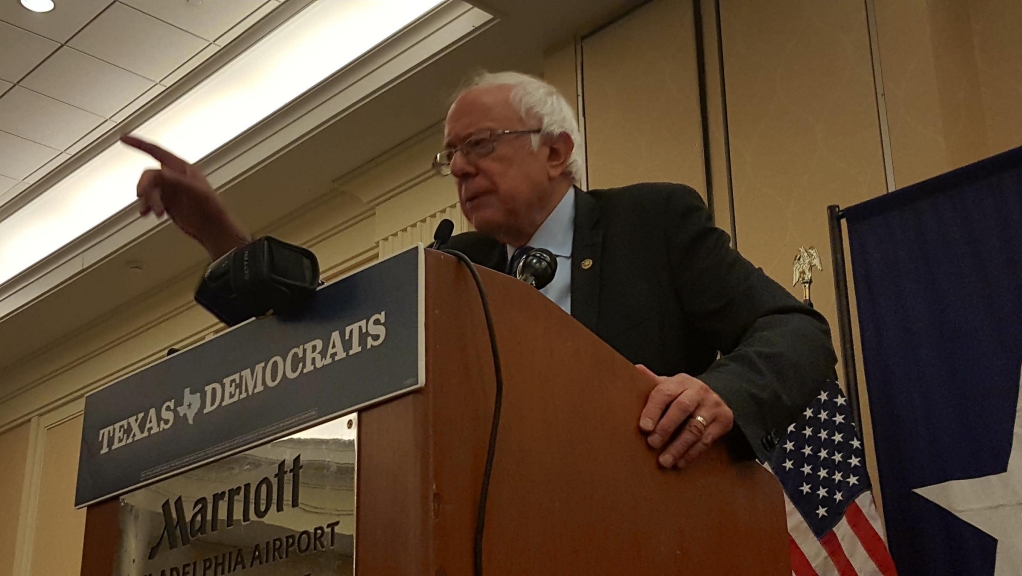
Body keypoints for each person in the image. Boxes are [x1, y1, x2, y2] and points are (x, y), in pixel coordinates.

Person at [123, 70, 837, 470]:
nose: (459, 167)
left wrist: (719, 393)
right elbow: (324, 339)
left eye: (482, 145)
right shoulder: (451, 268)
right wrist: (217, 233)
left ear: (556, 152)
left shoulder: (651, 223)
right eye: (450, 155)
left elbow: (794, 330)